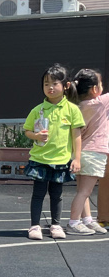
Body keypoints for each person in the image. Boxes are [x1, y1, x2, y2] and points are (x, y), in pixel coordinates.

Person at [23, 63, 84, 240]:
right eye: (46, 84)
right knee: (38, 194)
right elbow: (27, 131)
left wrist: (77, 158)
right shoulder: (38, 110)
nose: (50, 87)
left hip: (61, 160)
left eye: (55, 83)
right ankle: (35, 226)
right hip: (40, 159)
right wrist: (36, 136)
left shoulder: (72, 110)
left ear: (66, 86)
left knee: (57, 195)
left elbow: (77, 136)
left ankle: (56, 225)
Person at [66, 68, 109, 235]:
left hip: (79, 153)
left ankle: (87, 220)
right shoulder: (100, 103)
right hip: (94, 153)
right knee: (85, 192)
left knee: (82, 190)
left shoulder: (76, 105)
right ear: (94, 89)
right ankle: (73, 222)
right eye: (101, 84)